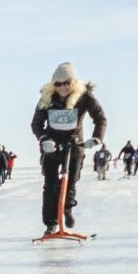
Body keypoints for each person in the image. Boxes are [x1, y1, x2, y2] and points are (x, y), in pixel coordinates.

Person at [30, 62, 105, 233]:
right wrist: (43, 139)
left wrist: (96, 138)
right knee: (50, 185)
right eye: (58, 84)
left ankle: (67, 209)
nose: (63, 87)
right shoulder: (47, 99)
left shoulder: (84, 96)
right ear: (53, 85)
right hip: (51, 147)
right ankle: (51, 223)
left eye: (67, 83)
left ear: (74, 82)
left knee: (70, 181)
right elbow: (36, 123)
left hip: (75, 146)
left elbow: (100, 118)